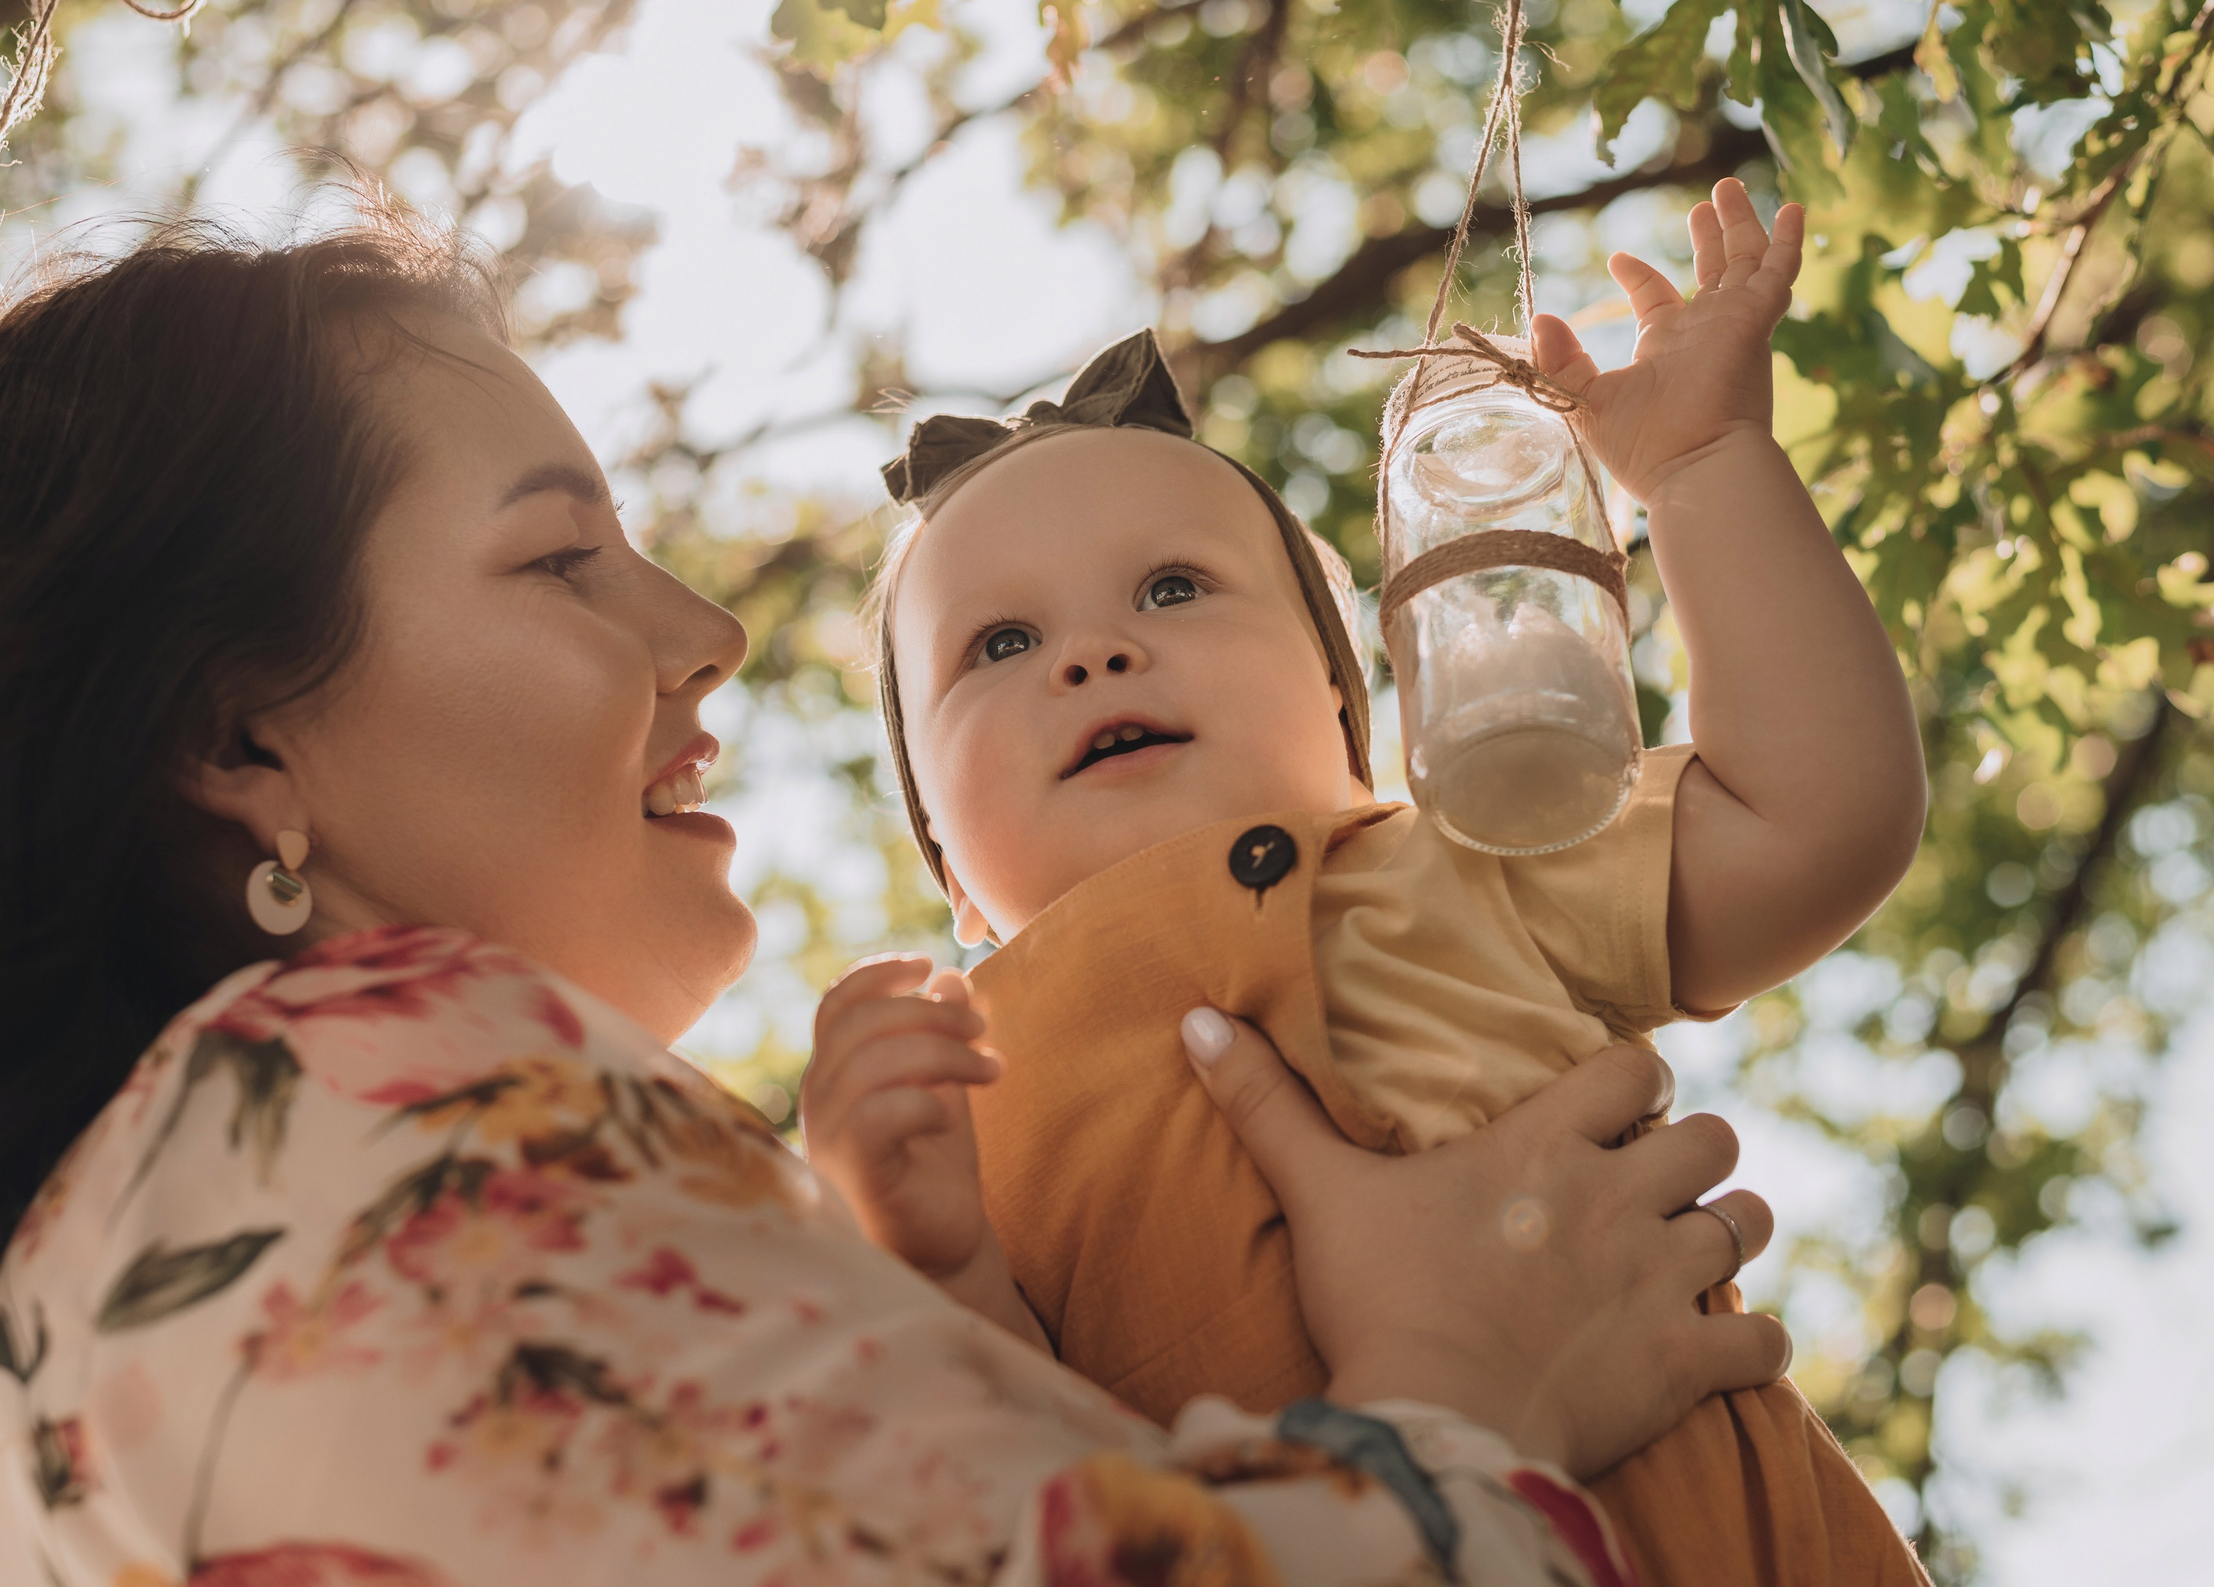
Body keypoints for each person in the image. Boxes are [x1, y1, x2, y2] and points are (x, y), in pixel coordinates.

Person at [0, 210, 1791, 1587]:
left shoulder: (96, 1370)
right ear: (242, 736)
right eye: (559, 561)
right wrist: (1468, 1382)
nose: (704, 634)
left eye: (1176, 592)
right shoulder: (372, 1093)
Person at [810, 182, 1931, 1584]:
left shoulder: (1451, 865)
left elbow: (1814, 818)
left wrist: (1704, 468)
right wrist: (929, 1245)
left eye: (1171, 589)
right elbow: (1017, 1470)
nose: (1088, 655)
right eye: (998, 644)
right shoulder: (967, 1084)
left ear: (1358, 724)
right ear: (947, 867)